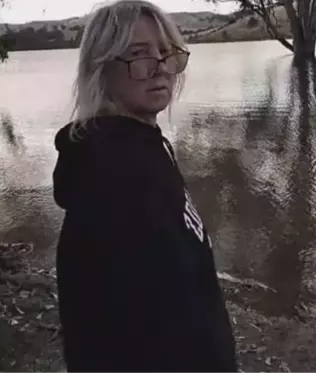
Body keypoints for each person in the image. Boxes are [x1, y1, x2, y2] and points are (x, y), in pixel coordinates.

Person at [52, 1, 237, 372]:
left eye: (167, 53)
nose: (161, 68)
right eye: (139, 56)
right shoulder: (115, 174)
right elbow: (139, 330)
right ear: (101, 68)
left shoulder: (141, 148)